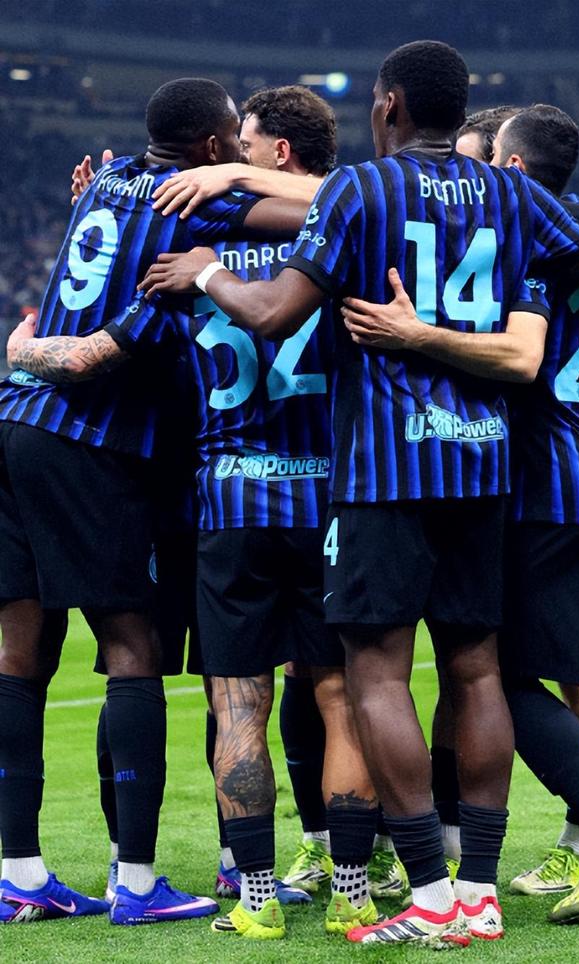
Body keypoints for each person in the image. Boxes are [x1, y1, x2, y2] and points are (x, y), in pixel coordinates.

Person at [134, 39, 579, 948]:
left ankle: (429, 891)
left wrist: (206, 270)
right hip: (483, 467)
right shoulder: (514, 194)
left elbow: (272, 312)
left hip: (383, 473)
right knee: (477, 669)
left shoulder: (361, 192)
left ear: (390, 107)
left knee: (375, 674)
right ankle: (478, 890)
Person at [7, 84, 382, 941]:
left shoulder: (136, 208)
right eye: (230, 146)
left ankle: (54, 873)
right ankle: (318, 882)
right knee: (295, 683)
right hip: (265, 483)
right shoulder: (249, 231)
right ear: (212, 147)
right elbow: (343, 209)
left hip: (123, 463)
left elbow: (107, 327)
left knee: (68, 663)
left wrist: (22, 351)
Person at [336, 102, 579, 924]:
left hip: (544, 487)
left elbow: (520, 355)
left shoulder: (529, 252)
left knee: (497, 677)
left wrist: (416, 334)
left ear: (511, 172)